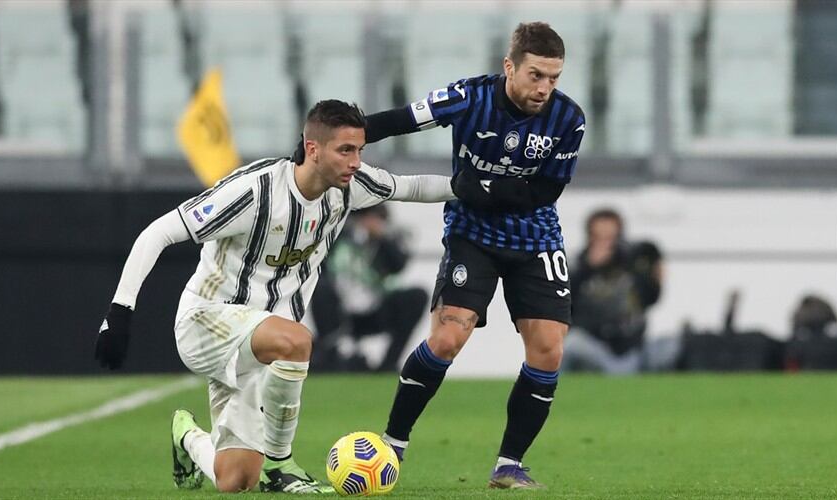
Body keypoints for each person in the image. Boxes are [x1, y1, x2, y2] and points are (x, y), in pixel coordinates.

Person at [93, 100, 454, 494]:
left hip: (261, 344)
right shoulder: (255, 191)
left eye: (359, 150)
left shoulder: (350, 187)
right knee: (297, 340)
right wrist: (119, 312)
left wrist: (474, 189)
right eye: (345, 150)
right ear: (313, 149)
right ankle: (281, 466)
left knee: (236, 479)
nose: (355, 162)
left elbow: (412, 186)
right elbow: (159, 232)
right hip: (208, 321)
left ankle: (188, 437)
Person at [297, 22, 585, 488]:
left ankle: (509, 464)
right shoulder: (468, 97)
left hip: (536, 240)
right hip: (472, 234)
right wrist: (324, 145)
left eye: (553, 78)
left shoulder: (569, 119)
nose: (544, 88)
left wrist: (480, 187)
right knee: (448, 337)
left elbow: (544, 192)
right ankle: (394, 442)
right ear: (509, 67)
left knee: (549, 350)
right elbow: (395, 121)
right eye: (536, 75)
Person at [310, 205, 428, 372]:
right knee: (320, 288)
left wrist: (381, 237)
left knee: (418, 296)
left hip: (374, 308)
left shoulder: (385, 240)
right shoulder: (336, 235)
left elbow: (398, 265)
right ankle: (329, 356)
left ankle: (388, 364)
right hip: (336, 309)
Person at [564, 208, 663, 374]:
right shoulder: (577, 265)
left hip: (630, 347)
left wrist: (653, 276)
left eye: (610, 238)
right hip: (592, 345)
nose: (605, 244)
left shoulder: (631, 265)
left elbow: (651, 299)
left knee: (667, 348)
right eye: (599, 238)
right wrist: (588, 267)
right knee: (570, 344)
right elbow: (563, 304)